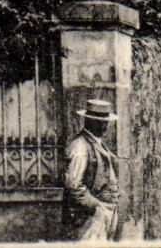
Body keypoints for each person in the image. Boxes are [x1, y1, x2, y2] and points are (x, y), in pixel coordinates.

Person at [62, 99, 120, 241]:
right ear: (89, 121)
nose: (104, 125)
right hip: (90, 217)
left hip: (107, 213)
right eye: (99, 121)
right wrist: (97, 207)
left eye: (105, 121)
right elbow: (74, 187)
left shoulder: (98, 144)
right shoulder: (80, 146)